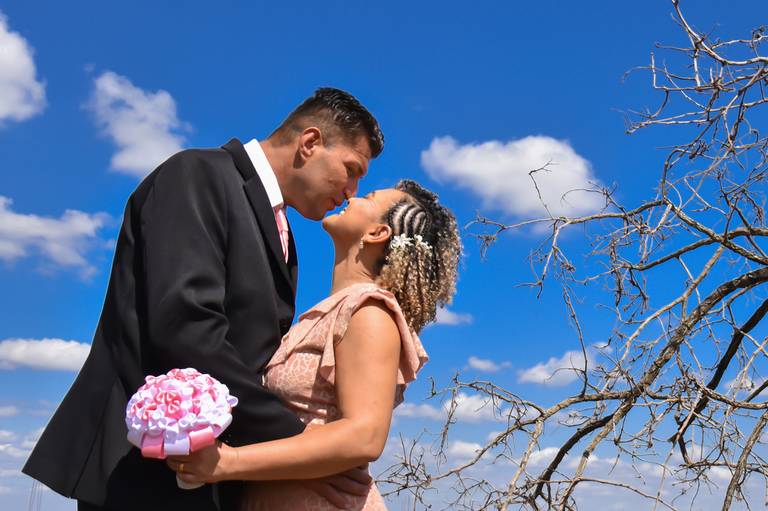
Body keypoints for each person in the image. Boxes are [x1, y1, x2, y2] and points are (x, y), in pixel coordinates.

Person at [22, 88, 384, 511]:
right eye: (351, 169)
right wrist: (300, 445)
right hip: (142, 475)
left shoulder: (284, 234)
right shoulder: (198, 174)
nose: (352, 191)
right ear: (310, 143)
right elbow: (186, 328)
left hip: (208, 477)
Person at [165, 180, 462, 510]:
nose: (353, 195)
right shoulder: (326, 312)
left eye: (369, 197)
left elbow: (365, 436)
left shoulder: (369, 311)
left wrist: (227, 463)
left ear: (377, 233)